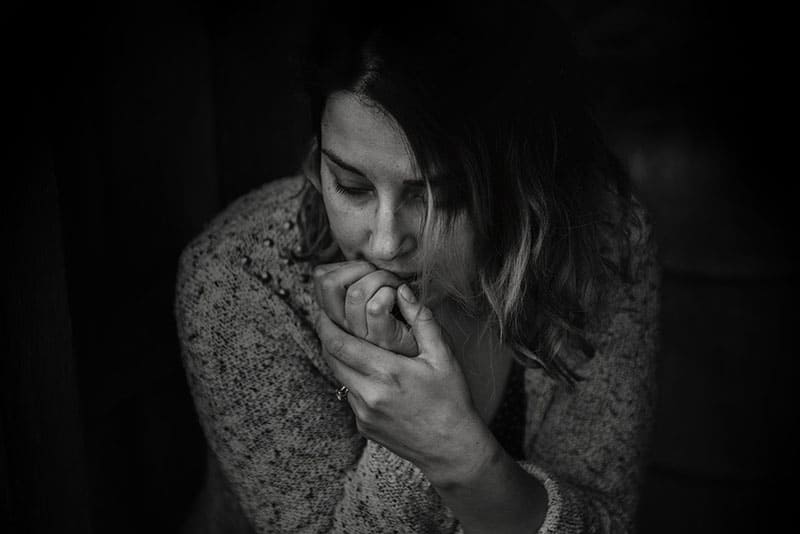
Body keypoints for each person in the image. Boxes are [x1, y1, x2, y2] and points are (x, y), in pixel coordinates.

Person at [175, 1, 659, 532]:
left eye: (441, 196)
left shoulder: (600, 242)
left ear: (525, 185)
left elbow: (607, 521)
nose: (385, 242)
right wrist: (404, 435)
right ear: (317, 161)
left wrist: (457, 454)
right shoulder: (240, 279)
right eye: (352, 186)